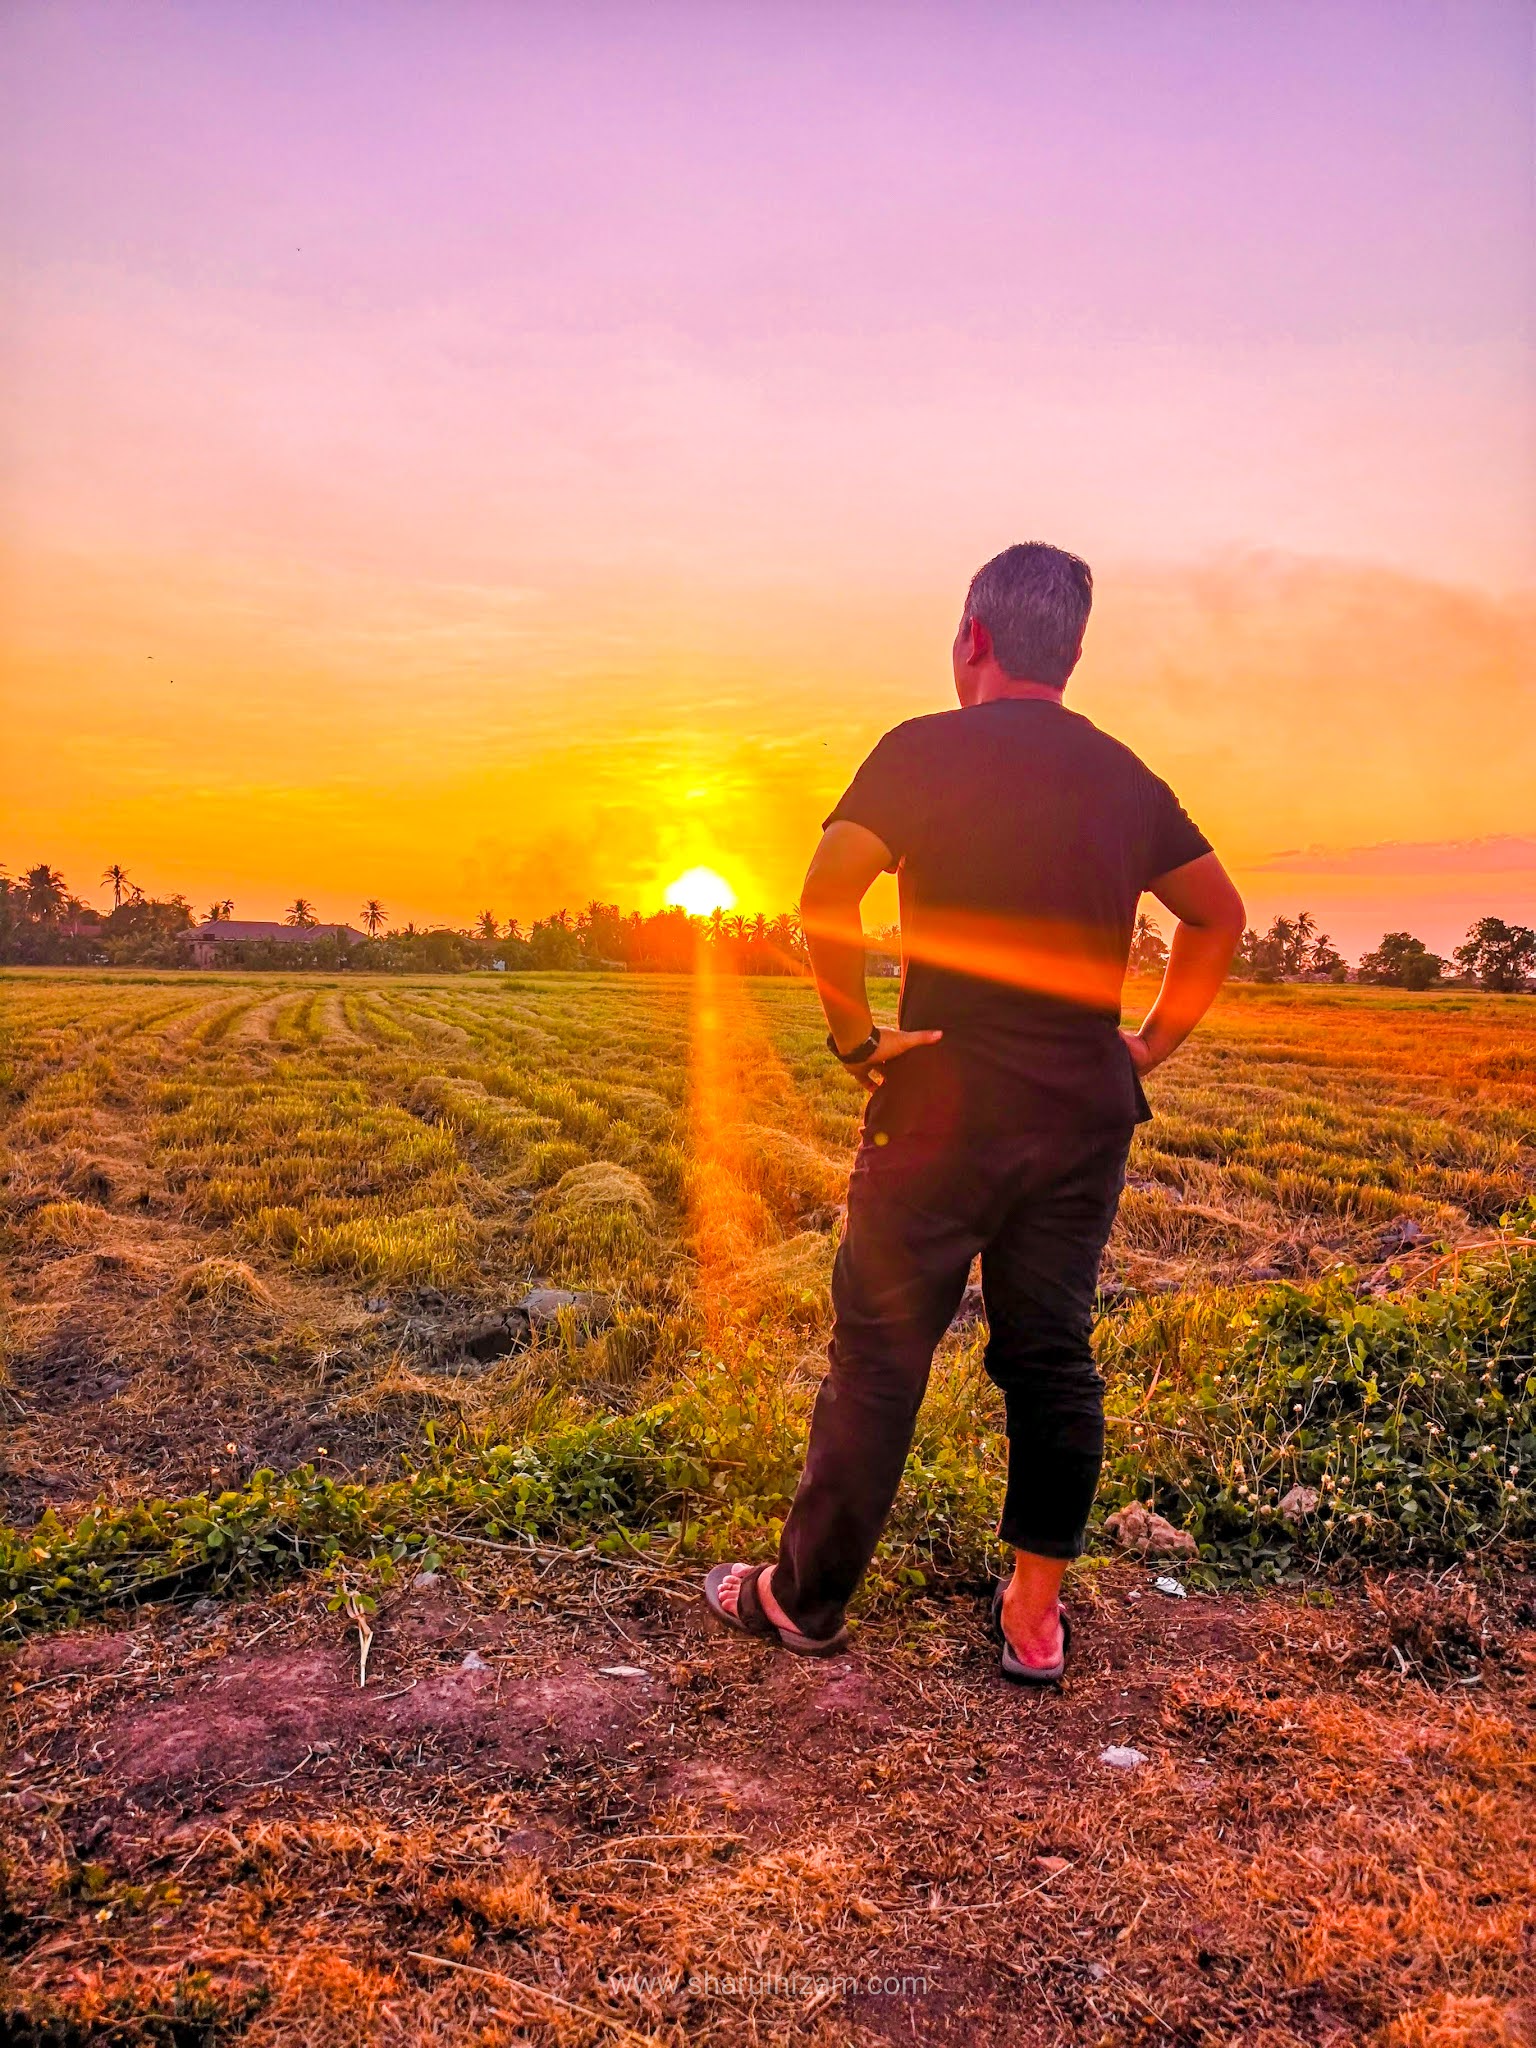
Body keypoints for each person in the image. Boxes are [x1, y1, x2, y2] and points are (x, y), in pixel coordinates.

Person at [704, 542, 1244, 1682]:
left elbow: (826, 893)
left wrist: (854, 1034)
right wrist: (1148, 1041)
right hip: (1082, 1115)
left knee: (880, 1358)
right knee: (1052, 1356)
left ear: (973, 639)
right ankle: (1035, 1621)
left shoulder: (922, 751)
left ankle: (802, 1601)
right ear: (1075, 651)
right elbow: (1218, 915)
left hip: (940, 1103)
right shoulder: (1124, 776)